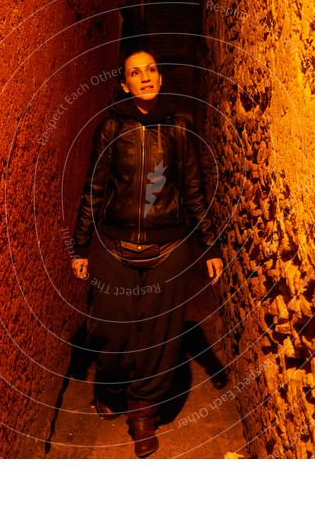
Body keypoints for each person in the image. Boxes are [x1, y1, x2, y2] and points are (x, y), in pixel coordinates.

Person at [70, 46, 223, 457]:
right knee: (111, 328)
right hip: (115, 245)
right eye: (136, 73)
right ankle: (113, 383)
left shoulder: (179, 127)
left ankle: (143, 412)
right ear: (125, 84)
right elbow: (94, 189)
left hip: (168, 246)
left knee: (159, 334)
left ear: (160, 77)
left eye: (152, 69)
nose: (146, 76)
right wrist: (80, 245)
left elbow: (194, 190)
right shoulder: (111, 129)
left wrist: (210, 245)